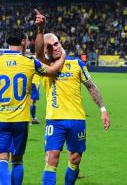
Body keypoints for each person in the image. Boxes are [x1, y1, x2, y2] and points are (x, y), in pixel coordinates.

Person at [34, 9, 111, 185]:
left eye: (57, 43)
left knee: (75, 159)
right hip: (55, 120)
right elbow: (38, 54)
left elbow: (91, 86)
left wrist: (103, 109)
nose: (55, 47)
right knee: (52, 158)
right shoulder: (46, 66)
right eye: (50, 46)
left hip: (77, 119)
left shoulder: (77, 64)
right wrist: (40, 30)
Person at [0, 28, 66, 185]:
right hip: (21, 120)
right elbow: (53, 71)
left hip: (0, 119)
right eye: (26, 41)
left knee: (1, 159)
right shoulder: (29, 63)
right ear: (22, 41)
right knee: (17, 161)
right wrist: (63, 57)